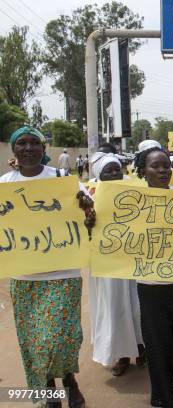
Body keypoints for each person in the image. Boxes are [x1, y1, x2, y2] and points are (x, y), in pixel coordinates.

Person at [0, 126, 95, 408]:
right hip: (24, 276)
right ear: (13, 150)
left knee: (61, 338)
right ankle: (50, 390)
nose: (28, 149)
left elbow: (90, 219)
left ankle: (69, 379)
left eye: (34, 143)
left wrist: (88, 209)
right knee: (35, 341)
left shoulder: (62, 180)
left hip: (62, 274)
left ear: (44, 148)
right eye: (22, 144)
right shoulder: (4, 184)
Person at [133, 139, 173, 408]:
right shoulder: (130, 202)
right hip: (150, 285)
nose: (162, 170)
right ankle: (164, 397)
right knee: (157, 344)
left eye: (166, 166)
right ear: (143, 171)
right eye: (155, 166)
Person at [88, 151, 146, 376]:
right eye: (107, 171)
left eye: (116, 169)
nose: (113, 173)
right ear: (98, 175)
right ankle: (121, 355)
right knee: (116, 309)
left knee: (137, 307)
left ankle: (142, 348)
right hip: (107, 264)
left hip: (133, 258)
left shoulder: (135, 189)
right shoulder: (90, 194)